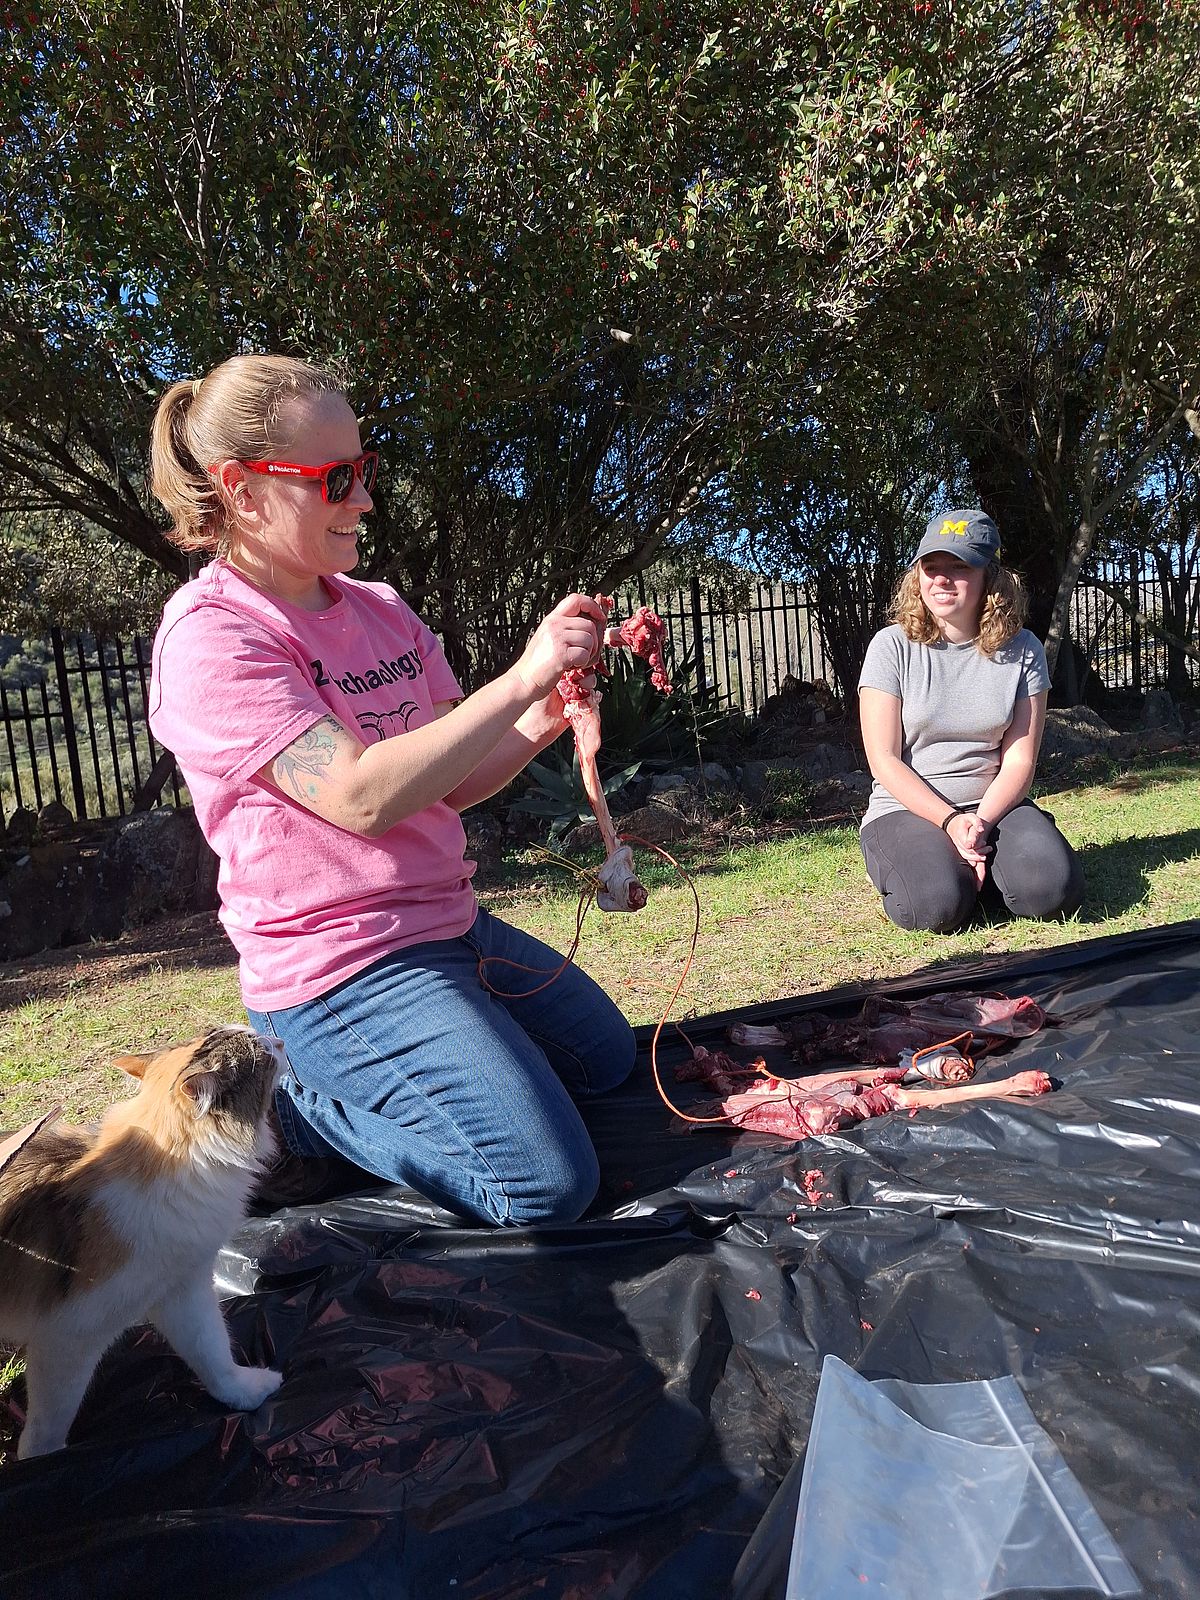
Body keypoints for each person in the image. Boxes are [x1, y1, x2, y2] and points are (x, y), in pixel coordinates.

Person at [147, 353, 636, 1226]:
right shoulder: (212, 639)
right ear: (243, 490)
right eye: (335, 480)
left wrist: (543, 720)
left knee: (605, 1064)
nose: (363, 500)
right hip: (342, 971)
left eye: (363, 472)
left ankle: (436, 1063)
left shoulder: (378, 609)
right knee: (543, 1187)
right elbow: (362, 798)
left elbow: (443, 786)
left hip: (450, 927)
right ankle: (295, 1114)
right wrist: (522, 679)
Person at [857, 508, 1084, 933]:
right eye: (931, 566)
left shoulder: (1025, 650)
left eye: (958, 567)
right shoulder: (890, 647)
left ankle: (978, 867)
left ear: (990, 579)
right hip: (907, 811)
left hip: (993, 808)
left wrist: (979, 823)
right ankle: (944, 873)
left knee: (1052, 891)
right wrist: (949, 821)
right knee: (935, 907)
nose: (941, 579)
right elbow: (884, 761)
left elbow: (1019, 761)